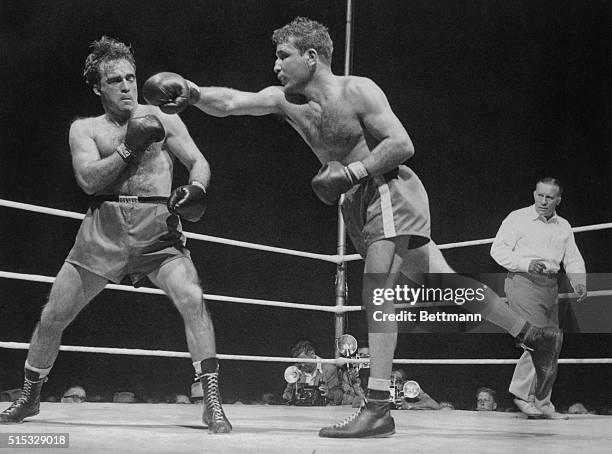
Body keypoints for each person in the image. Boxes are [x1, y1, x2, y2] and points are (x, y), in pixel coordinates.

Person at [142, 17, 564, 438]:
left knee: (377, 293)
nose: (276, 65)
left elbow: (402, 144)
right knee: (447, 284)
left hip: (388, 188)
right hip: (359, 201)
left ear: (311, 57)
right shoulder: (285, 99)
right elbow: (233, 101)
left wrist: (351, 172)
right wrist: (193, 94)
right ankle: (533, 335)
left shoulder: (357, 90)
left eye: (283, 55)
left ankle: (378, 406)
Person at [0, 36, 232, 434]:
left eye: (131, 77)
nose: (127, 86)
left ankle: (212, 401)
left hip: (157, 227)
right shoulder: (84, 129)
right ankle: (29, 396)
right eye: (115, 81)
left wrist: (197, 189)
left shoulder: (164, 117)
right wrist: (128, 148)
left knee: (193, 298)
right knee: (53, 313)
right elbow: (88, 180)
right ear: (97, 87)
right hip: (102, 228)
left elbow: (199, 162)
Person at [491, 178, 587, 420]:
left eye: (550, 197)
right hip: (522, 281)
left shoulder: (563, 226)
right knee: (538, 339)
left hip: (550, 286)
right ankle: (522, 394)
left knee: (552, 344)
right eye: (540, 195)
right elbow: (497, 250)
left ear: (558, 200)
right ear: (534, 194)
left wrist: (579, 282)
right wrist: (526, 263)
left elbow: (573, 258)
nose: (544, 201)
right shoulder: (518, 218)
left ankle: (543, 403)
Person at [282, 340, 344, 405]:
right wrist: (294, 396)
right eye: (299, 362)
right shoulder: (295, 369)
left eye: (304, 361)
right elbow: (286, 394)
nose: (302, 365)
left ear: (312, 354)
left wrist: (329, 393)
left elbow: (340, 396)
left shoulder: (330, 369)